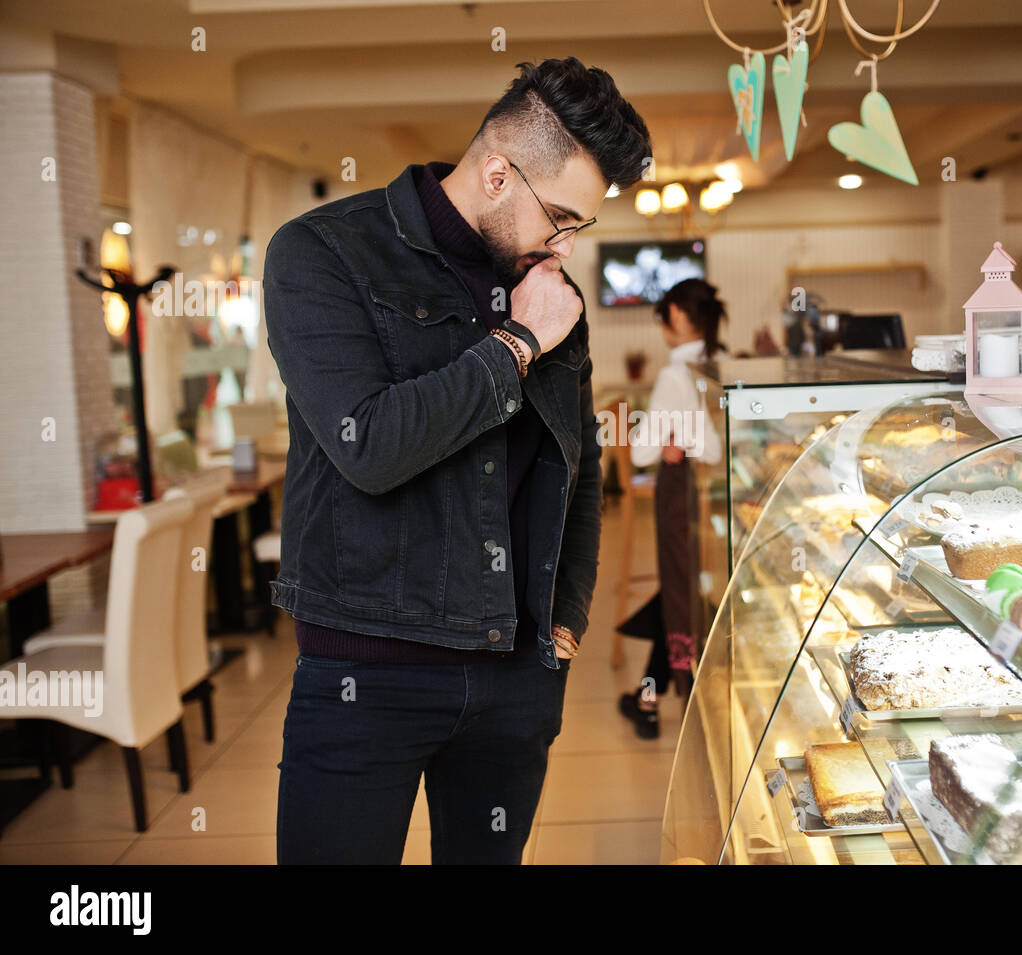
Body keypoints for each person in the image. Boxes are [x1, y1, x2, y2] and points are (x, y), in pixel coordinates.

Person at [263, 57, 652, 864]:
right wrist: (515, 344)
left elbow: (575, 465)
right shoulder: (324, 253)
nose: (565, 246)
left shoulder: (551, 295)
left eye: (579, 227)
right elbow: (368, 445)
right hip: (364, 671)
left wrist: (568, 615)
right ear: (498, 171)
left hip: (516, 673)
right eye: (562, 217)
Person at [619, 279, 726, 739]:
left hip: (680, 495)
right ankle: (648, 693)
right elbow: (720, 449)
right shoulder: (723, 364)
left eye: (664, 316)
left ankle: (668, 696)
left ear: (679, 315)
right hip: (717, 499)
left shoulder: (673, 376)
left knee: (681, 593)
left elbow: (643, 453)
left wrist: (671, 440)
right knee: (691, 588)